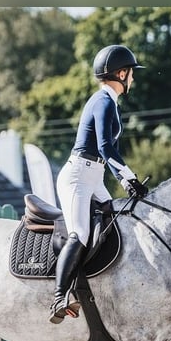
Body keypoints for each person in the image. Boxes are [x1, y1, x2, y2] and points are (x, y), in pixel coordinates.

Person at [49, 44, 149, 324]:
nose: (133, 79)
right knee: (79, 233)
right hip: (79, 177)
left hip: (93, 176)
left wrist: (125, 179)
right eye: (131, 73)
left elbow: (106, 153)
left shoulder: (108, 102)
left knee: (114, 220)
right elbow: (106, 147)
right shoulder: (103, 102)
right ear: (121, 73)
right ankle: (59, 297)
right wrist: (129, 179)